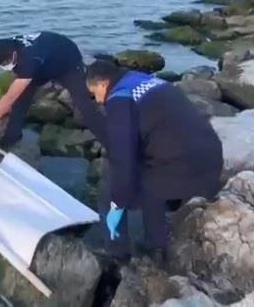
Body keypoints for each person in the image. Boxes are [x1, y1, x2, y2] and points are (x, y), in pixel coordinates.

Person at [84, 59, 223, 265]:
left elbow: (123, 158)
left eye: (94, 93)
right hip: (211, 159)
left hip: (181, 166)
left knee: (110, 191)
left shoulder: (119, 99)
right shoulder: (147, 80)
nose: (97, 100)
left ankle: (117, 251)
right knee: (151, 181)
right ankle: (156, 244)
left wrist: (117, 203)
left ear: (103, 83)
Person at [0, 31, 107, 148]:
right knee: (21, 100)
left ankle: (107, 138)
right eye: (2, 64)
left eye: (7, 62)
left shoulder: (29, 59)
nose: (5, 65)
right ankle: (12, 136)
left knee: (83, 104)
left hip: (68, 62)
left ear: (14, 55)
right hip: (43, 63)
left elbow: (9, 97)